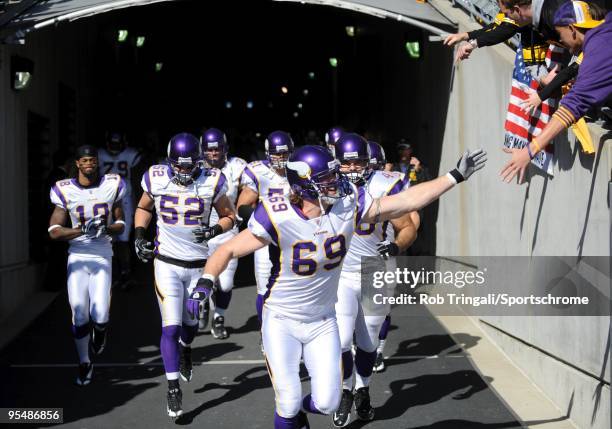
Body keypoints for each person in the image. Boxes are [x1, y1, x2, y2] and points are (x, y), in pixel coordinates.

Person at [196, 144, 486, 428]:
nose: (337, 182)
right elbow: (228, 250)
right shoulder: (276, 212)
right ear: (304, 183)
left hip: (322, 320)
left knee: (327, 403)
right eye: (326, 178)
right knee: (287, 401)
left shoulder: (349, 203)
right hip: (281, 319)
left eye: (335, 175)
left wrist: (453, 177)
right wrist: (207, 281)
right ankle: (291, 414)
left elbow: (405, 202)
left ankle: (299, 413)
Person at [133, 133, 236, 418]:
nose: (183, 173)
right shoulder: (155, 177)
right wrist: (140, 235)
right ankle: (173, 388)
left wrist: (215, 229)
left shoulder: (211, 180)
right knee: (171, 327)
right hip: (166, 263)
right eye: (179, 167)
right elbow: (143, 207)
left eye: (189, 167)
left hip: (198, 268)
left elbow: (230, 216)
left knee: (190, 327)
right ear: (170, 162)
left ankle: (186, 349)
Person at [332, 135, 419, 427]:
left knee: (368, 343)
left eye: (358, 160)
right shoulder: (326, 186)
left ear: (370, 161)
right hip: (341, 272)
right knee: (342, 341)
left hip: (375, 270)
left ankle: (363, 388)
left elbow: (407, 227)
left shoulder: (384, 185)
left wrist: (396, 246)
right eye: (346, 162)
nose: (352, 167)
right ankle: (345, 391)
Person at [502, 0, 612, 182]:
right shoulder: (604, 27)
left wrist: (530, 150)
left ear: (572, 28)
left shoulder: (599, 53)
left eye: (560, 33)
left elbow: (571, 108)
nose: (559, 40)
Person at [48, 145, 126, 386]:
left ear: (96, 162)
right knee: (80, 313)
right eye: (84, 160)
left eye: (92, 159)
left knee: (100, 314)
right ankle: (84, 362)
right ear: (78, 164)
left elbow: (121, 223)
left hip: (102, 253)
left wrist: (107, 228)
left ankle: (100, 333)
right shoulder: (64, 189)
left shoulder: (112, 184)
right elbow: (54, 231)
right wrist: (81, 230)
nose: (89, 163)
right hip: (78, 255)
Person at [235, 131, 294, 328]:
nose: (281, 158)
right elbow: (242, 205)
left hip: (295, 236)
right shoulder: (258, 171)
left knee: (294, 289)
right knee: (264, 290)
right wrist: (262, 221)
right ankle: (265, 332)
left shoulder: (303, 170)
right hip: (267, 237)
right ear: (268, 153)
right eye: (277, 154)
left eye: (285, 154)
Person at [200, 128, 247, 339]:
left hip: (229, 231)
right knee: (205, 280)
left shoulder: (238, 166)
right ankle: (206, 306)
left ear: (225, 148)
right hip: (202, 234)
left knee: (226, 283)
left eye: (217, 149)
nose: (213, 154)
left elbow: (253, 189)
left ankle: (219, 316)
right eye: (209, 150)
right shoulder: (193, 168)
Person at [98, 131, 142, 289]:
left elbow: (137, 179)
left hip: (124, 198)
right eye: (113, 144)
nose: (114, 148)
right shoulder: (99, 155)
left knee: (122, 239)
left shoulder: (130, 155)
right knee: (107, 237)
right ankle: (115, 272)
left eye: (118, 145)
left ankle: (124, 273)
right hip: (105, 198)